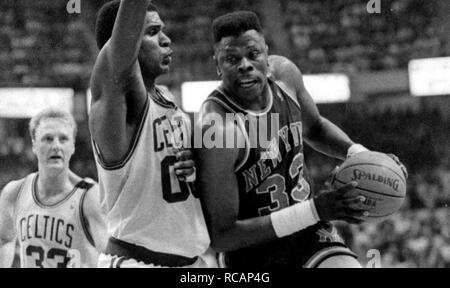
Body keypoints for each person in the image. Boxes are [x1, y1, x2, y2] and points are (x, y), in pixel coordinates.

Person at [195, 11, 407, 268]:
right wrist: (315, 209)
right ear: (216, 64)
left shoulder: (285, 75)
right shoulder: (215, 126)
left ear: (266, 53)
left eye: (253, 54)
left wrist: (361, 154)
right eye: (231, 58)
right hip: (251, 251)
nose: (245, 65)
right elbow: (222, 236)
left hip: (309, 233)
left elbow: (315, 128)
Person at [89, 0, 212, 268]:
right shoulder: (118, 103)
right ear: (127, 40)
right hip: (137, 261)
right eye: (153, 32)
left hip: (191, 263)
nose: (167, 40)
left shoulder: (167, 100)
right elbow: (120, 55)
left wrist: (197, 164)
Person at [0, 108, 107, 268]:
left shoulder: (89, 196)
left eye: (63, 139)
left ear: (73, 146)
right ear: (34, 145)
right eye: (48, 139)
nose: (56, 145)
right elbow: (5, 239)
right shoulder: (14, 192)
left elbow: (108, 256)